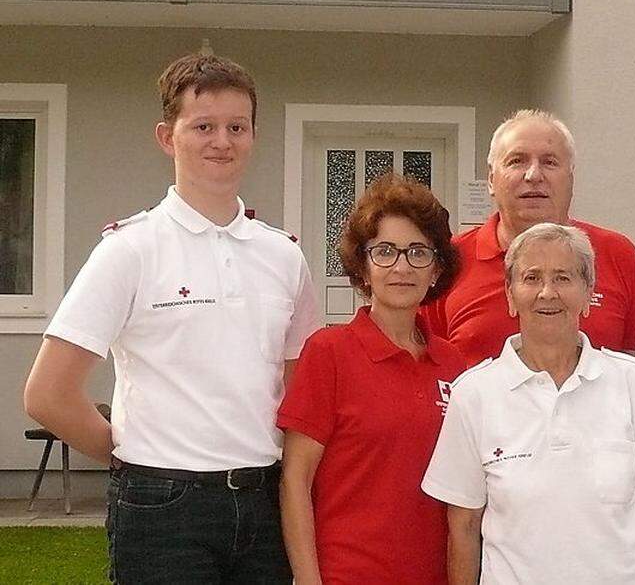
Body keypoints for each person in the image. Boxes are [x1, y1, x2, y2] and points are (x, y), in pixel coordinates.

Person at [23, 52, 321, 582]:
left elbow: (300, 388)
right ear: (168, 136)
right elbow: (47, 393)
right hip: (163, 508)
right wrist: (124, 454)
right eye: (203, 126)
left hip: (263, 501)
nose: (222, 141)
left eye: (237, 126)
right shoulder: (130, 250)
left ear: (254, 135)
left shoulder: (283, 256)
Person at [421, 223, 635, 585]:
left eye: (563, 278)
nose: (547, 292)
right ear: (511, 296)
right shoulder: (474, 395)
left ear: (587, 292)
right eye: (531, 278)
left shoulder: (631, 382)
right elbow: (464, 527)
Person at [277, 174, 468, 584]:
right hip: (347, 574)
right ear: (363, 267)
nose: (402, 266)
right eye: (385, 252)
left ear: (436, 269)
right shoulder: (328, 353)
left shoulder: (454, 364)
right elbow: (295, 480)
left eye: (418, 252)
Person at [424, 109, 635, 364]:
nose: (534, 175)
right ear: (491, 180)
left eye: (549, 162)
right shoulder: (446, 261)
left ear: (571, 178)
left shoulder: (619, 256)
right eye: (517, 161)